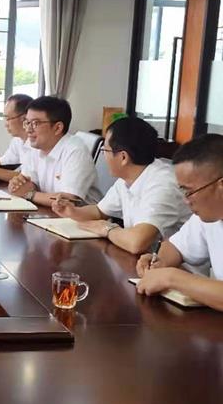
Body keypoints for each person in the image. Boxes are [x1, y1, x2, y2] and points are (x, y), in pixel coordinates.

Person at [51, 117, 190, 255]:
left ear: (123, 157)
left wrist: (107, 229)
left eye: (105, 151)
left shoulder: (162, 184)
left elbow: (137, 243)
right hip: (149, 260)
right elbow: (99, 211)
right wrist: (72, 211)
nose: (104, 156)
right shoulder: (127, 178)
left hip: (178, 266)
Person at [136, 134, 223, 311]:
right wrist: (157, 262)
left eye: (189, 191)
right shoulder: (209, 215)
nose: (186, 200)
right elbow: (175, 247)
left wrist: (171, 278)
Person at [7, 96, 101, 206]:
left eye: (35, 123)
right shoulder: (35, 147)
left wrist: (29, 194)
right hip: (47, 212)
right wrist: (18, 185)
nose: (28, 129)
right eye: (27, 123)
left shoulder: (75, 151)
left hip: (82, 215)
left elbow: (67, 201)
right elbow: (30, 183)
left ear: (57, 128)